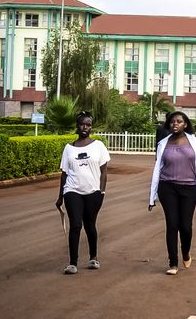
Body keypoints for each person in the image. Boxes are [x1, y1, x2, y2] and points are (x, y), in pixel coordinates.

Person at [148, 111, 196, 275]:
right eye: (172, 122)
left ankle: (186, 251)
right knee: (172, 224)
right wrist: (152, 196)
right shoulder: (163, 143)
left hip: (188, 187)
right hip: (167, 187)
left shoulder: (193, 142)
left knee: (185, 226)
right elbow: (157, 169)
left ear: (185, 124)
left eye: (179, 121)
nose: (175, 124)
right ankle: (173, 263)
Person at [55, 111, 110, 275]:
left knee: (90, 225)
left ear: (91, 127)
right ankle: (72, 263)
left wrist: (102, 191)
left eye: (88, 124)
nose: (85, 127)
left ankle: (93, 257)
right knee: (75, 225)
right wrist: (60, 197)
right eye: (82, 124)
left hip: (93, 192)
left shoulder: (98, 145)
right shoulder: (69, 148)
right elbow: (64, 173)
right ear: (77, 126)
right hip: (72, 191)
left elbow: (104, 171)